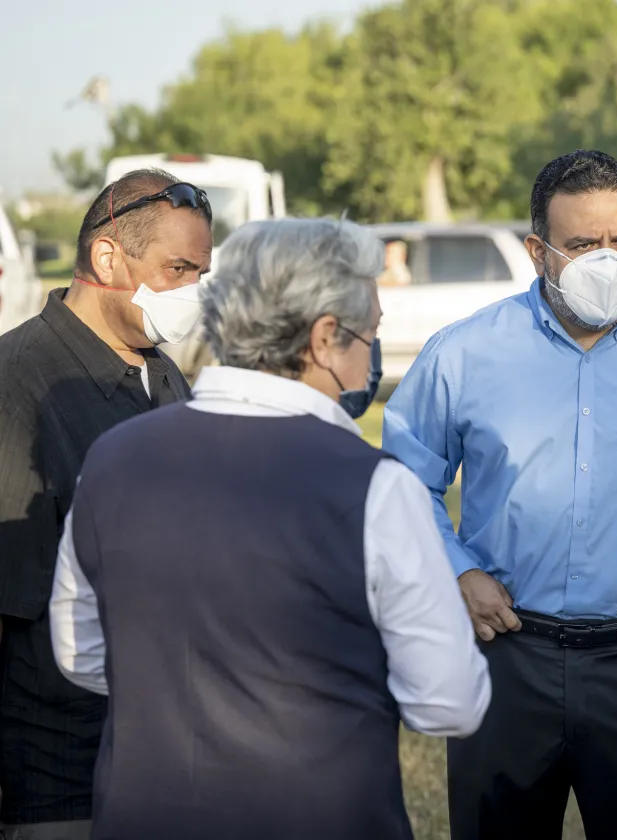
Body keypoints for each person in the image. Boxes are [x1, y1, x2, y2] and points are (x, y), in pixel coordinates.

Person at [46, 218, 491, 840]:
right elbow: (447, 701)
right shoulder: (373, 486)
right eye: (372, 333)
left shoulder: (114, 457)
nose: (373, 352)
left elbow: (81, 653)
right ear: (326, 338)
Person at [383, 149, 617, 840]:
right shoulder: (463, 354)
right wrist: (456, 570)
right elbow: (402, 483)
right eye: (583, 244)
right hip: (506, 656)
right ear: (538, 251)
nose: (607, 259)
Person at [0, 169, 213, 840]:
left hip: (169, 753)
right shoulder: (18, 385)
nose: (192, 294)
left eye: (201, 274)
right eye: (178, 269)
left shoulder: (163, 370)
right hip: (59, 774)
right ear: (106, 257)